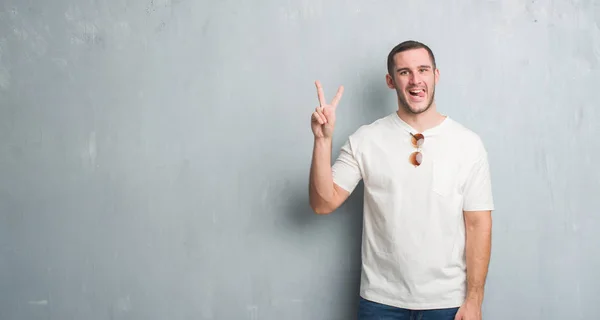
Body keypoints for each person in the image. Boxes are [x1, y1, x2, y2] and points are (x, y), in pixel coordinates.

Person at [308, 40, 494, 320]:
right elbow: (323, 203)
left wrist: (475, 300)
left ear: (436, 75)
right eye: (404, 72)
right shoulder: (366, 139)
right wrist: (323, 141)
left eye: (423, 70)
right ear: (391, 81)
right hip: (380, 301)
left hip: (447, 303)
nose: (415, 80)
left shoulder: (468, 144)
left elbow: (478, 224)